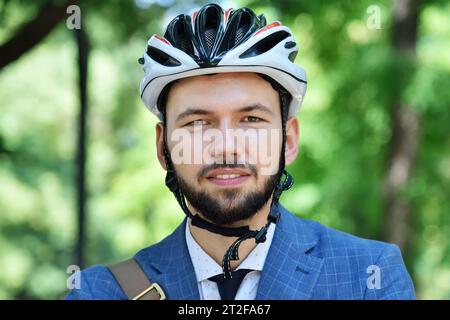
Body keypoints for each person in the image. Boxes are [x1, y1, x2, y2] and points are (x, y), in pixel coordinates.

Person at [65, 3, 415, 300]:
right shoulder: (98, 292)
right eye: (198, 124)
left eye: (250, 119)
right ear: (162, 147)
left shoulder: (368, 277)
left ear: (288, 140)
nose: (227, 146)